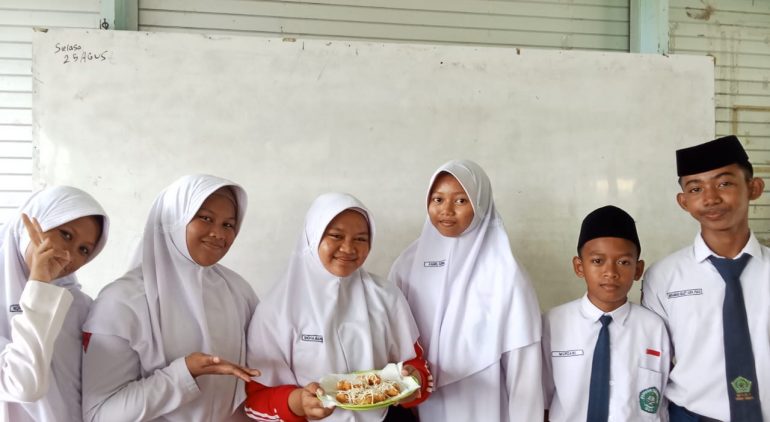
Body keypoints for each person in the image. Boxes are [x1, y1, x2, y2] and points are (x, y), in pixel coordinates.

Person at [81, 174, 259, 421]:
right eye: (205, 218)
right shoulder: (121, 302)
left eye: (228, 224)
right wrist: (184, 373)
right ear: (173, 219)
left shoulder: (238, 291)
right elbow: (100, 414)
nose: (219, 234)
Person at [244, 192, 431, 422]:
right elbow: (256, 399)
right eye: (336, 236)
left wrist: (414, 381)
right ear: (313, 236)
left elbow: (417, 366)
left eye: (361, 239)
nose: (348, 248)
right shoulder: (276, 310)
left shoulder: (387, 296)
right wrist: (299, 403)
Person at [389, 159, 543, 421]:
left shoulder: (506, 272)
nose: (446, 210)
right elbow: (393, 339)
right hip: (422, 403)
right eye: (438, 199)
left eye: (461, 200)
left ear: (480, 203)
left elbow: (524, 368)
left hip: (486, 403)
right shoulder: (407, 265)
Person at [642, 135, 769, 421]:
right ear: (683, 202)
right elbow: (653, 364)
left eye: (724, 183)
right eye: (696, 188)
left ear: (754, 188)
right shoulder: (663, 277)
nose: (711, 198)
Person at [542, 205, 670, 421]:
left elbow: (663, 400)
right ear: (579, 266)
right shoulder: (552, 324)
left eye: (623, 262)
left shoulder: (654, 327)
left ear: (638, 269)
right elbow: (540, 399)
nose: (610, 272)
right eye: (597, 261)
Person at [0, 186, 108, 421]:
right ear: (33, 222)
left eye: (84, 250)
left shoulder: (82, 308)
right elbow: (24, 385)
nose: (69, 256)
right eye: (66, 235)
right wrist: (39, 286)